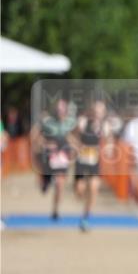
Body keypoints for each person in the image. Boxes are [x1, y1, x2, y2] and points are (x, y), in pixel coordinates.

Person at [70, 99, 111, 232]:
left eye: (101, 111)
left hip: (94, 160)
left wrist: (109, 148)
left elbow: (109, 139)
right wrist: (77, 145)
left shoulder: (104, 125)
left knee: (94, 189)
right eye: (97, 110)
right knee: (80, 190)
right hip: (81, 160)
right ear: (92, 111)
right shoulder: (82, 122)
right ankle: (81, 193)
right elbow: (70, 136)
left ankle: (86, 217)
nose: (99, 113)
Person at [31, 98, 75, 220]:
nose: (61, 113)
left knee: (60, 184)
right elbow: (34, 136)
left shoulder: (69, 123)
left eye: (63, 111)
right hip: (48, 157)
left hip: (62, 157)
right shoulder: (47, 122)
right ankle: (45, 182)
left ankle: (55, 211)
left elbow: (71, 137)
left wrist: (75, 147)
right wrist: (44, 143)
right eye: (59, 110)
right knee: (45, 186)